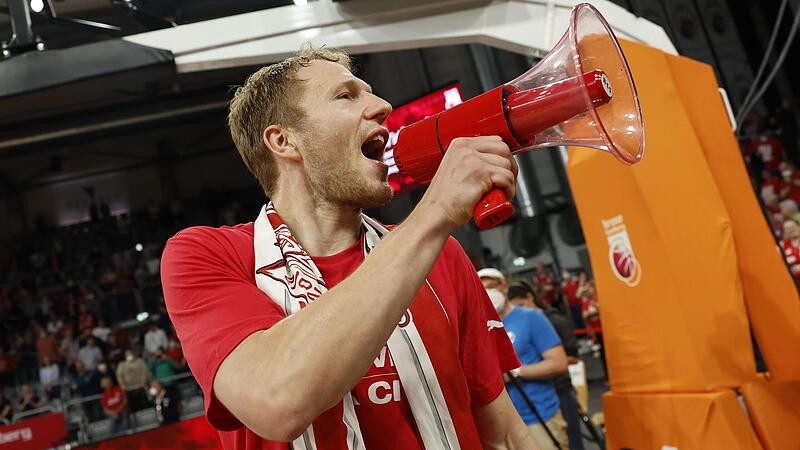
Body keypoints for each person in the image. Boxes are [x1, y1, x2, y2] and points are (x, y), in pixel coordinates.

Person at [161, 46, 532, 450]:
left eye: (369, 92)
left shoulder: (442, 254)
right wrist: (436, 210)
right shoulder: (205, 254)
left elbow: (505, 436)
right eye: (346, 96)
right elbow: (277, 401)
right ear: (283, 140)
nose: (383, 106)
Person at [491, 275, 570, 450]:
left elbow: (558, 363)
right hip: (505, 423)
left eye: (491, 286)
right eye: (483, 288)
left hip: (540, 414)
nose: (488, 292)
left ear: (504, 286)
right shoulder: (481, 328)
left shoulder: (530, 317)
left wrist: (516, 372)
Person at [509, 284, 585, 450]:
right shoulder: (510, 323)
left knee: (571, 441)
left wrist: (521, 370)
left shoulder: (550, 320)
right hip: (532, 398)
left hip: (559, 389)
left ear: (530, 297)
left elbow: (570, 357)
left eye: (520, 304)